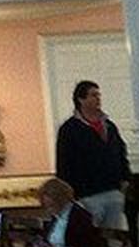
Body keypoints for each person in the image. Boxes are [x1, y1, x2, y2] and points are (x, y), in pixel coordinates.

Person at [53, 81, 130, 230]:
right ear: (81, 99)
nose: (98, 99)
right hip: (87, 193)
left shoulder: (109, 125)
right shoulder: (70, 129)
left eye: (99, 95)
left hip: (113, 190)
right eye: (93, 95)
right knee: (91, 235)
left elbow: (121, 151)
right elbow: (64, 161)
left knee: (115, 237)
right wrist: (68, 192)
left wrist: (125, 177)